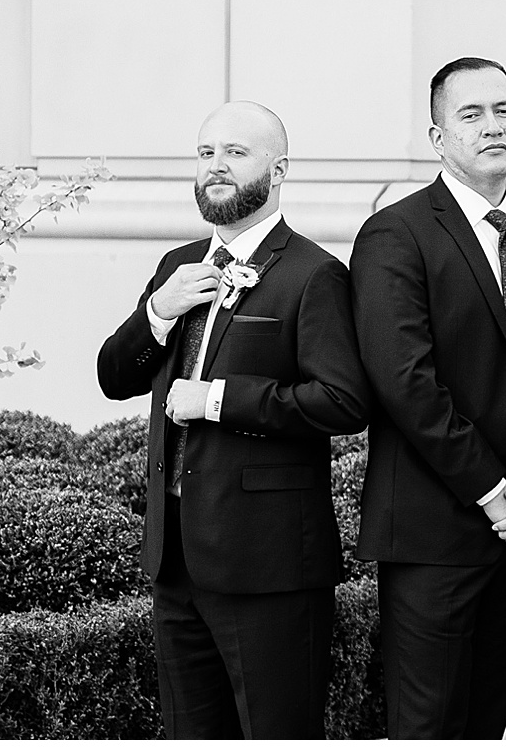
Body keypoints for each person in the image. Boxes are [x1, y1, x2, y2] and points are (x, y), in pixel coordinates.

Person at [97, 101, 371, 738]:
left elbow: (343, 402)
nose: (215, 166)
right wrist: (158, 312)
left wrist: (217, 399)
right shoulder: (178, 266)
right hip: (175, 560)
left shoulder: (314, 274)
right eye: (206, 153)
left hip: (268, 565)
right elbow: (114, 377)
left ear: (279, 170)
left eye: (235, 153)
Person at [348, 57, 506, 738]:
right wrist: (493, 492)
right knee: (427, 728)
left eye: (504, 111)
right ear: (438, 136)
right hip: (434, 531)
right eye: (471, 114)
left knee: (488, 724)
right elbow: (406, 382)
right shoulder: (396, 234)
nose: (492, 126)